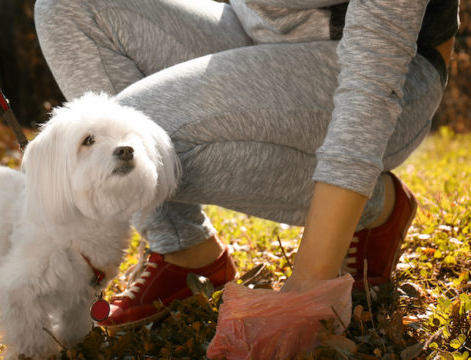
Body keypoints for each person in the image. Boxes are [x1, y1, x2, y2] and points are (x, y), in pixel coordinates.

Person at [33, 0, 458, 330]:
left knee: (135, 135)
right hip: (247, 29)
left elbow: (373, 77)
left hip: (386, 67)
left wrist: (308, 288)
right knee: (67, 7)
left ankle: (375, 205)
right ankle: (184, 247)